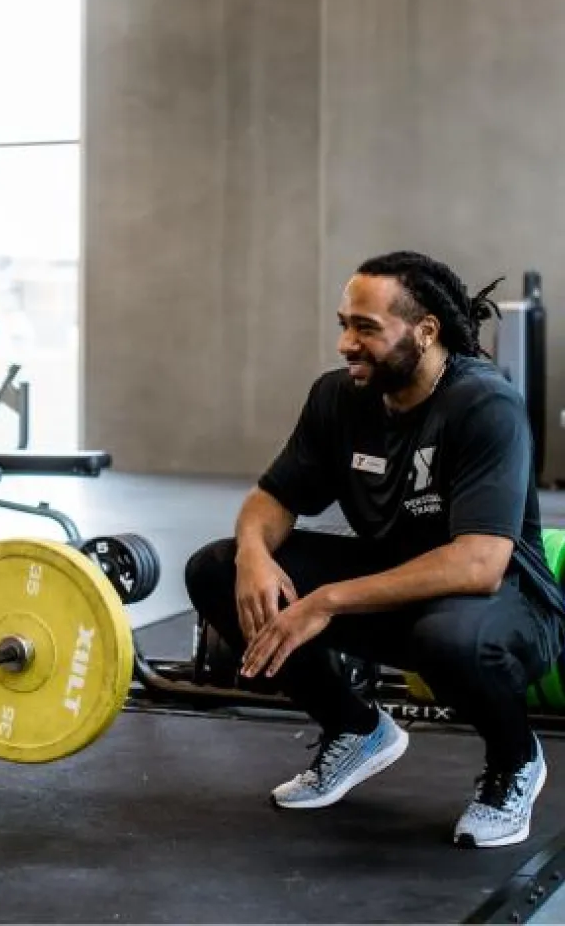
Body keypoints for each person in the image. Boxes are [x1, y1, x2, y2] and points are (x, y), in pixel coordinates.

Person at [185, 250, 565, 848]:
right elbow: (272, 496)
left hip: (503, 605)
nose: (346, 344)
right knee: (215, 567)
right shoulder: (338, 399)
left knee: (446, 637)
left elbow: (479, 563)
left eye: (366, 328)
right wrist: (254, 554)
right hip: (392, 590)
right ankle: (355, 729)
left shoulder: (484, 404)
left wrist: (326, 600)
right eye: (343, 324)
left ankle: (516, 760)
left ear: (426, 331)